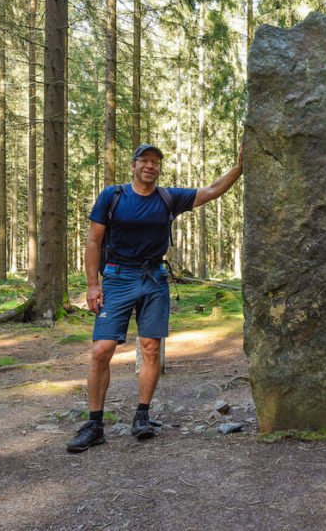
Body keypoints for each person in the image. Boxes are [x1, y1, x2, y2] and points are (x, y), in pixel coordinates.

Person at [67, 143, 243, 452]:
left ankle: (142, 416)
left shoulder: (168, 198)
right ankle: (94, 424)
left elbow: (212, 190)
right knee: (101, 350)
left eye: (156, 162)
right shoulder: (113, 196)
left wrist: (240, 167)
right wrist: (92, 285)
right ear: (133, 165)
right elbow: (94, 241)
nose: (150, 166)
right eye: (145, 161)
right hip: (117, 278)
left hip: (154, 279)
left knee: (150, 349)